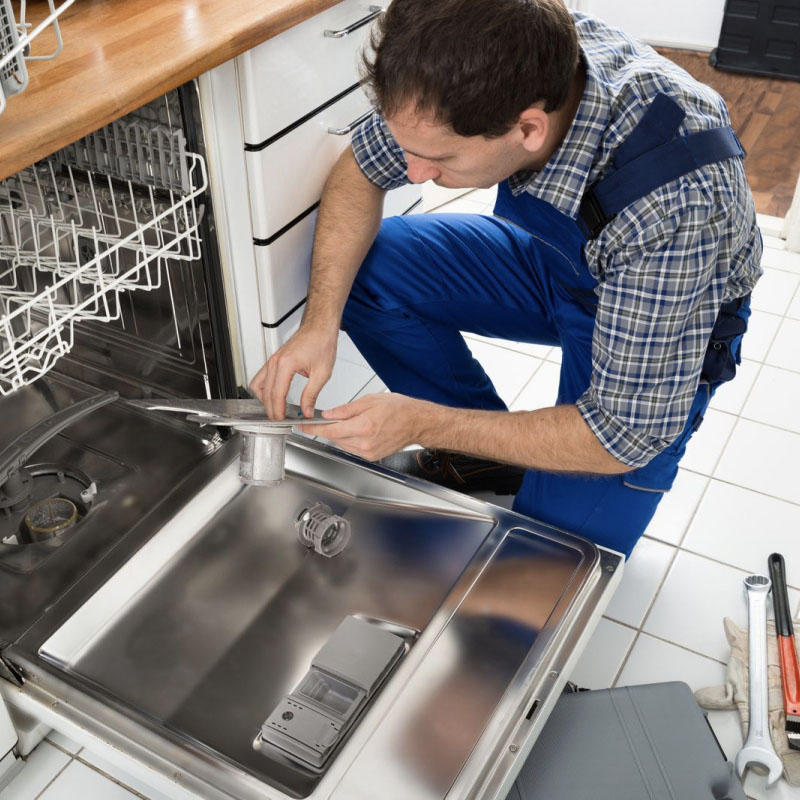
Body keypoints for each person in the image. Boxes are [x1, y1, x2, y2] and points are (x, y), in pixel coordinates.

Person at [250, 0, 762, 557]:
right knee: (371, 269)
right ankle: (485, 456)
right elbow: (360, 170)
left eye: (438, 159)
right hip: (562, 264)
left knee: (548, 556)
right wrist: (319, 324)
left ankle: (486, 451)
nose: (414, 172)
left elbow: (621, 436)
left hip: (662, 319)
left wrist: (424, 421)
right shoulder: (482, 65)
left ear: (529, 129)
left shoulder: (675, 197)